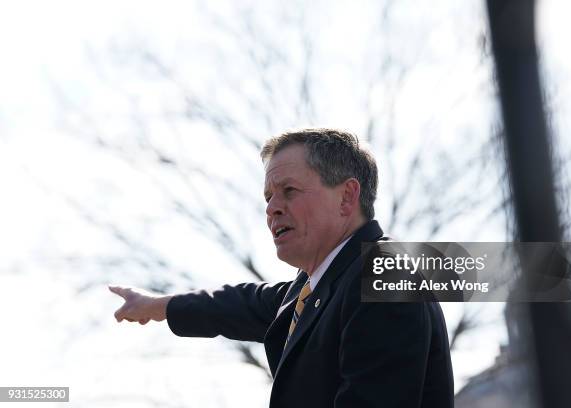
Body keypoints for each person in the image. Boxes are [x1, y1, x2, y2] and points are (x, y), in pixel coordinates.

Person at [109, 128, 454, 407]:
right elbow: (240, 305)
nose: (272, 208)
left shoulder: (384, 274)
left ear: (347, 197)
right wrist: (158, 306)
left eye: (288, 191)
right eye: (268, 197)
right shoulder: (315, 287)